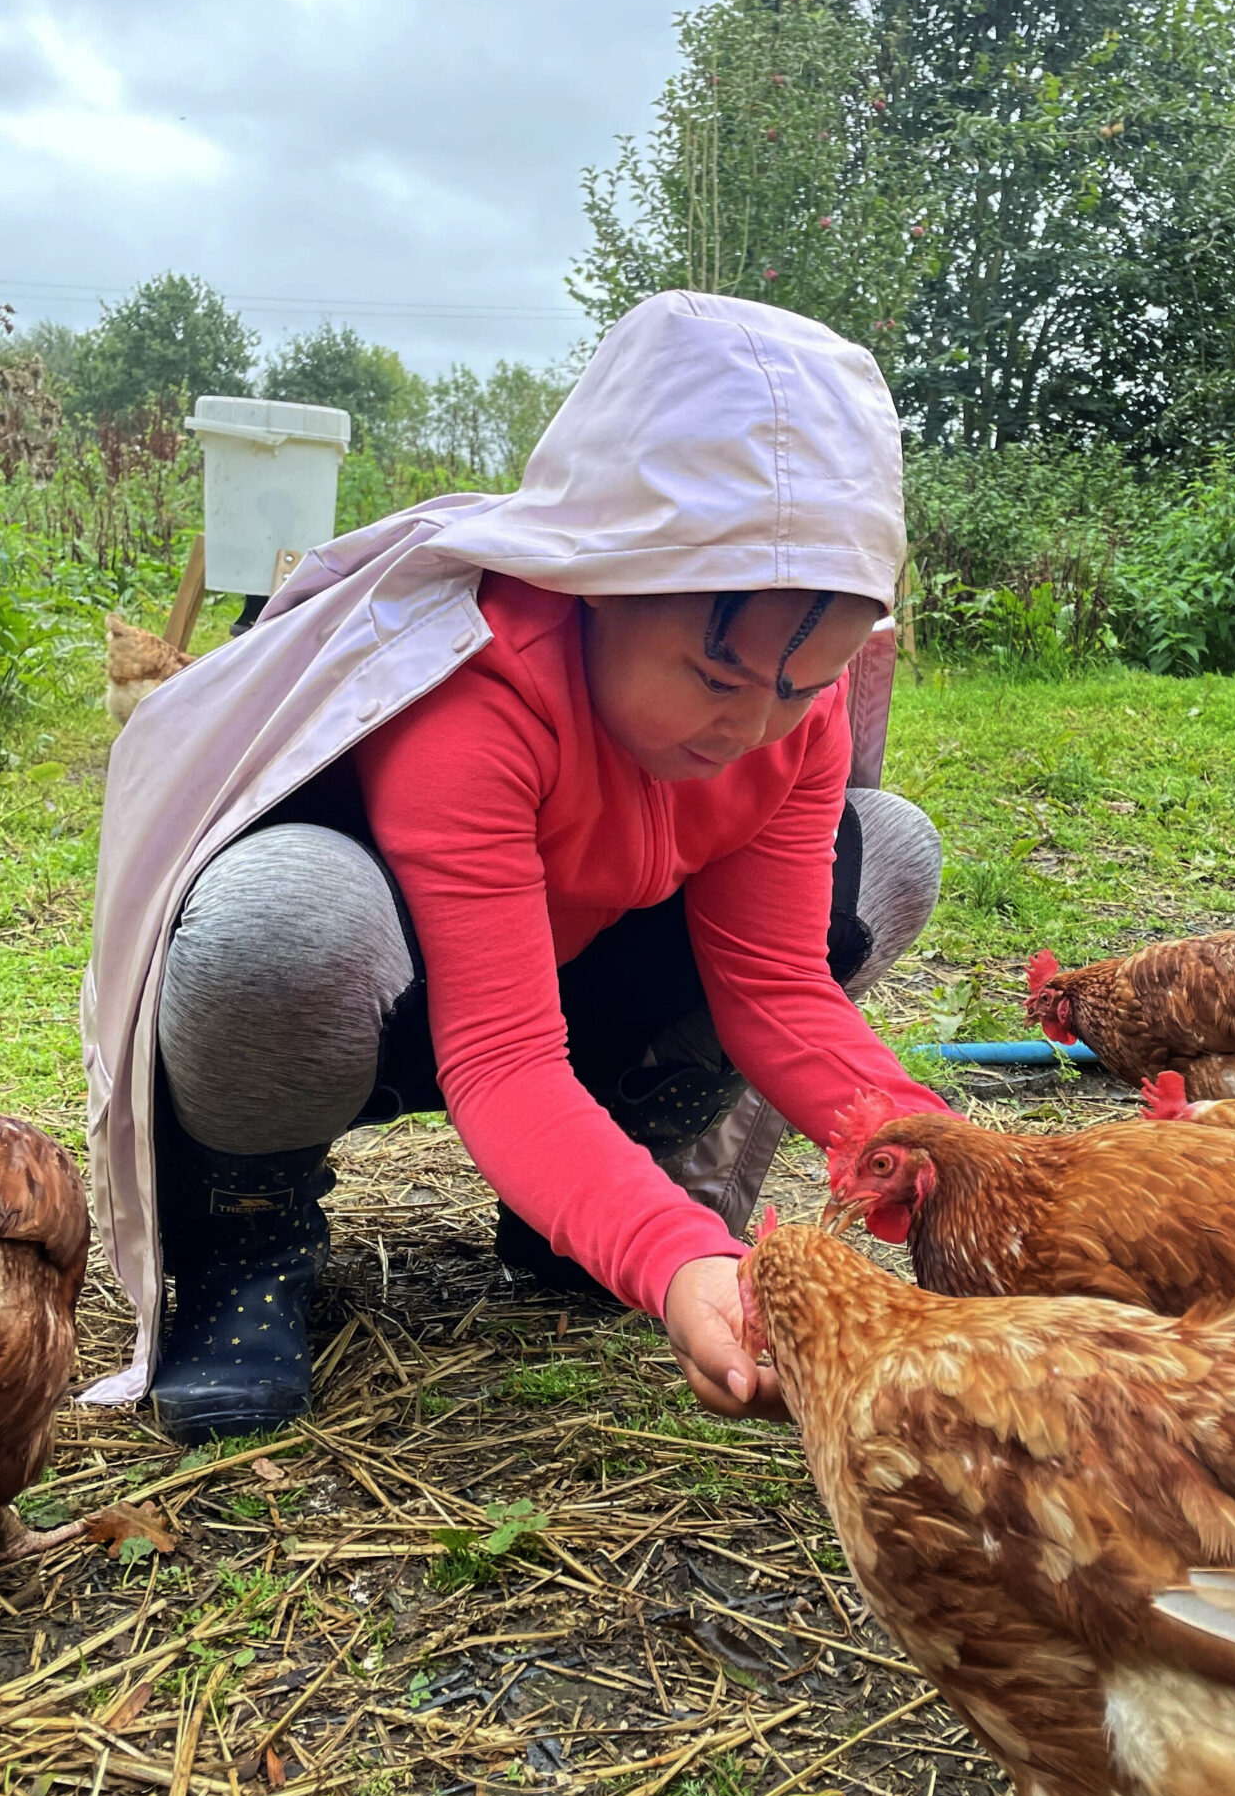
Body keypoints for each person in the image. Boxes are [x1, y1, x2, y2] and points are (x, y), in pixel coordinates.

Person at [81, 291, 951, 1442]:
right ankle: (245, 1225)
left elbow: (777, 988)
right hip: (394, 1006)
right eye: (716, 674)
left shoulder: (789, 721)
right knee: (276, 920)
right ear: (598, 581)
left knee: (887, 847)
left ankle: (597, 1183)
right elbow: (501, 1055)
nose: (754, 726)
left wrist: (978, 1181)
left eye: (803, 684)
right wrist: (676, 1255)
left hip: (585, 981)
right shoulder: (479, 684)